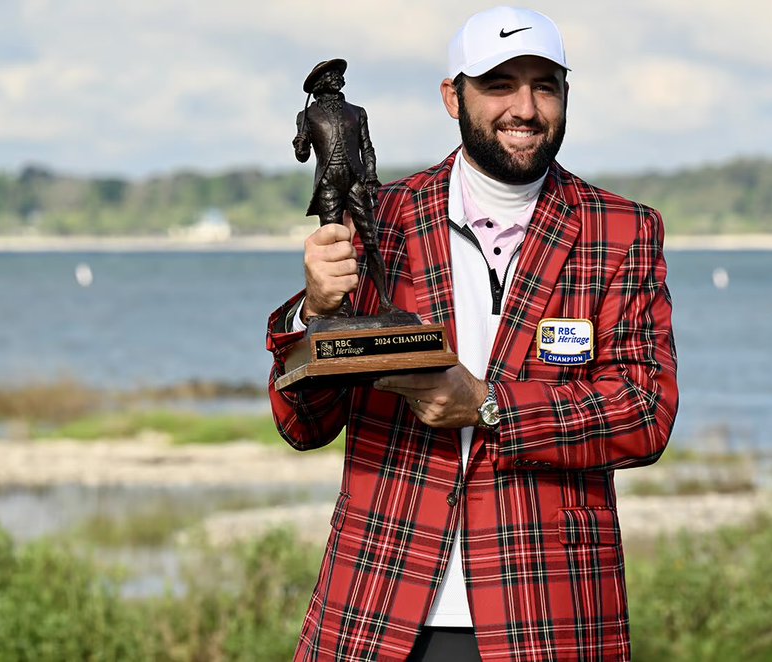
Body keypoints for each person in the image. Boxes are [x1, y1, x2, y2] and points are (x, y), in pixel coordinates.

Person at [266, 6, 678, 661]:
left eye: (545, 85)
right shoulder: (382, 221)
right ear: (452, 96)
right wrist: (314, 312)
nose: (525, 106)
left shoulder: (622, 232)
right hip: (378, 612)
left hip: (549, 616)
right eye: (499, 84)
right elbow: (301, 425)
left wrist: (487, 404)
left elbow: (644, 413)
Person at [293, 58, 393, 314]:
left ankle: (385, 301)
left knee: (371, 241)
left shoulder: (357, 111)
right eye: (332, 75)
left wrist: (370, 176)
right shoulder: (307, 116)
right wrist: (300, 143)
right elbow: (302, 156)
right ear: (320, 83)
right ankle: (343, 306)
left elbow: (367, 148)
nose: (338, 77)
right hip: (328, 184)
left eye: (338, 74)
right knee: (334, 246)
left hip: (355, 180)